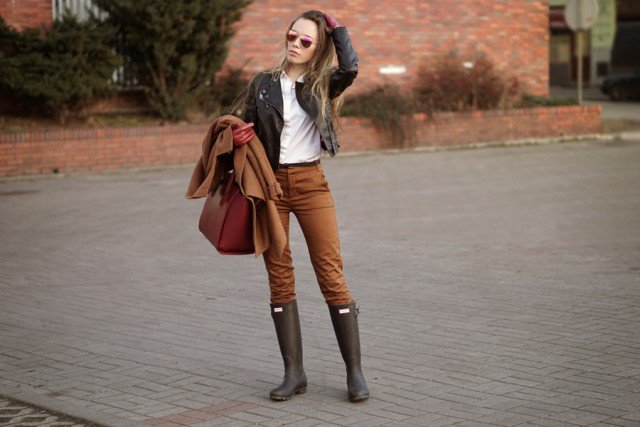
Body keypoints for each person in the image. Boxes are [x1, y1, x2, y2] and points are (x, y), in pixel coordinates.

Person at [229, 10, 369, 402]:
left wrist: (338, 30)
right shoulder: (263, 84)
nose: (295, 43)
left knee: (330, 273)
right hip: (272, 186)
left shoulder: (323, 84)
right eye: (292, 35)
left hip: (311, 186)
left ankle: (354, 373)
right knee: (280, 276)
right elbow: (238, 122)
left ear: (317, 48)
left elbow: (352, 68)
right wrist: (238, 137)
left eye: (305, 40)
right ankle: (294, 373)